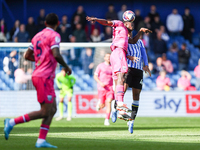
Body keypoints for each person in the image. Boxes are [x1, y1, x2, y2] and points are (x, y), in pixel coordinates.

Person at [4, 13, 72, 148]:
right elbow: (56, 54)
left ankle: (41, 140)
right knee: (45, 111)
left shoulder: (37, 36)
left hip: (42, 75)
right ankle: (11, 122)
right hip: (43, 77)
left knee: (52, 109)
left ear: (45, 23)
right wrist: (66, 66)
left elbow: (26, 55)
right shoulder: (55, 36)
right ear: (57, 24)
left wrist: (41, 61)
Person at [86, 15, 152, 122]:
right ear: (126, 23)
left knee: (120, 77)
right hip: (118, 52)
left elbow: (134, 41)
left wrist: (140, 31)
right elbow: (107, 22)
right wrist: (97, 20)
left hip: (118, 54)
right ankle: (120, 106)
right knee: (121, 77)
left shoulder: (126, 36)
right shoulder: (120, 24)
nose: (132, 24)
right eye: (131, 22)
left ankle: (119, 107)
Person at [123, 29, 151, 134]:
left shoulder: (139, 41)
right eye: (127, 32)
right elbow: (120, 53)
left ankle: (131, 121)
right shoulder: (124, 41)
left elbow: (143, 53)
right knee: (124, 89)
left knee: (136, 96)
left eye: (130, 32)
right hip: (128, 68)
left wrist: (146, 65)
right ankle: (115, 106)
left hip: (139, 70)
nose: (129, 33)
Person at [94, 53, 114, 126]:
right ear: (104, 58)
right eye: (107, 57)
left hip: (110, 88)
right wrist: (100, 83)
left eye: (110, 57)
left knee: (109, 102)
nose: (109, 58)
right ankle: (99, 104)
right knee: (102, 105)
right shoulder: (100, 66)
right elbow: (95, 76)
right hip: (101, 88)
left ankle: (107, 120)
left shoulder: (113, 66)